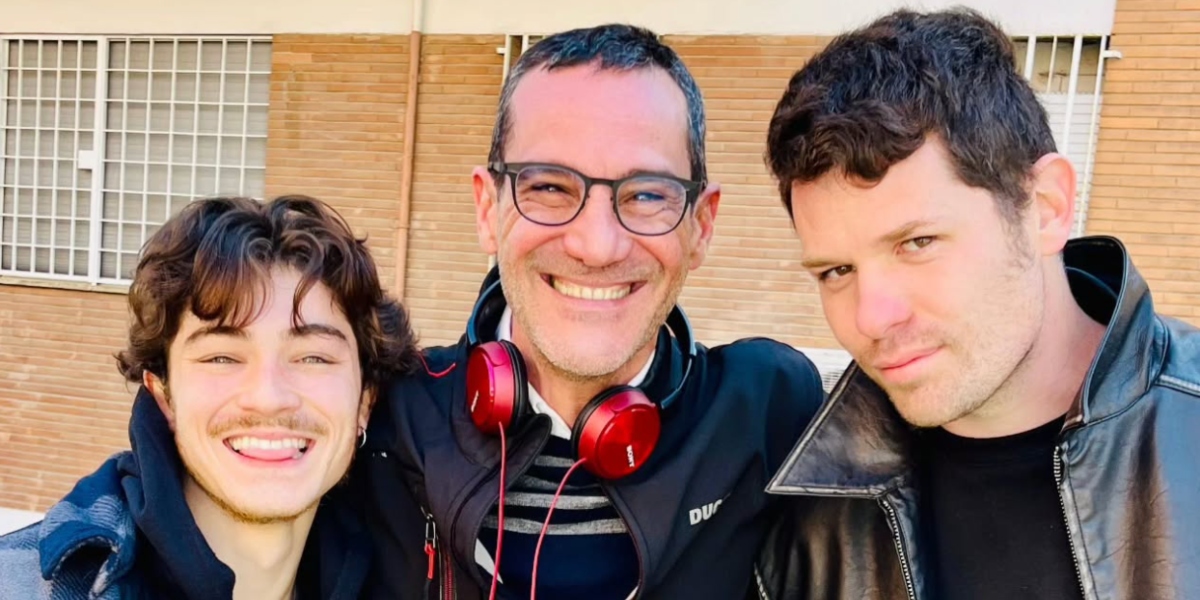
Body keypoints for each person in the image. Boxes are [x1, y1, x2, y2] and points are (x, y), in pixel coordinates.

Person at [353, 23, 826, 600]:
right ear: (487, 209)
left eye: (647, 194)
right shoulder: (391, 418)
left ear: (701, 226)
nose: (597, 246)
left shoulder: (770, 413)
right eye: (550, 188)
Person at [756, 7, 1200, 600]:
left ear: (1046, 207)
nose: (872, 318)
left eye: (917, 243)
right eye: (837, 271)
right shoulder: (811, 519)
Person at [0, 195, 421, 599]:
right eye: (222, 357)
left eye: (313, 357)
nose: (268, 397)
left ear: (365, 401)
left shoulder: (412, 579)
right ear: (164, 396)